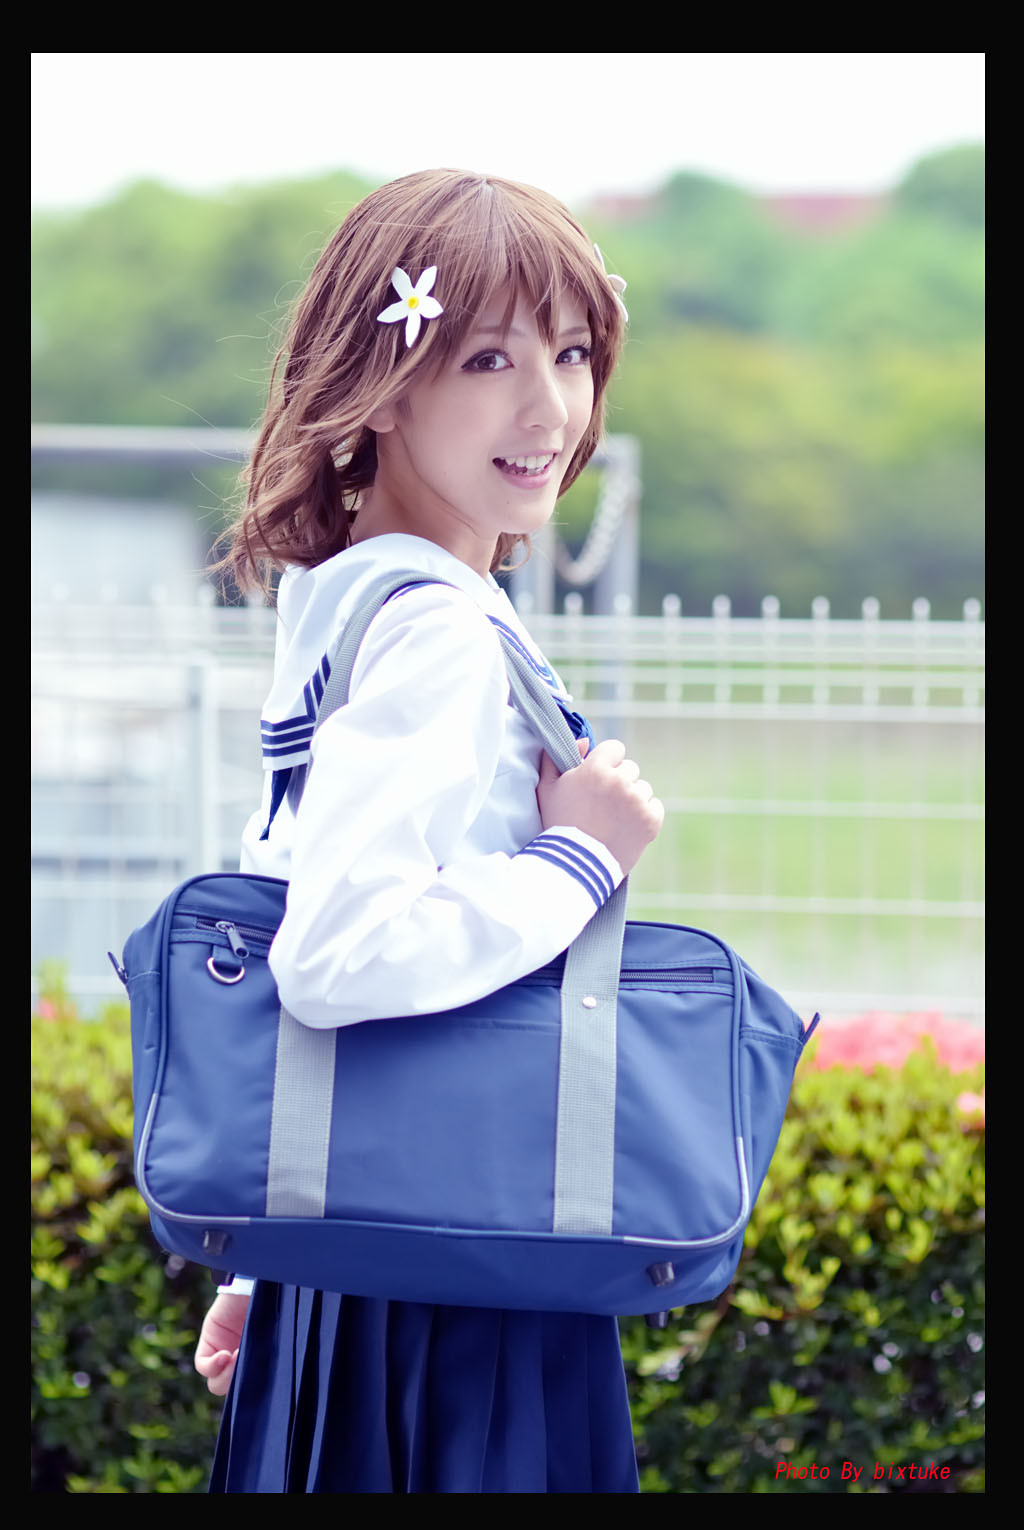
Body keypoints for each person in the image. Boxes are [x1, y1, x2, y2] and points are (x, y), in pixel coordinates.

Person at [195, 168, 664, 1493]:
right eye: (490, 358)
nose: (551, 408)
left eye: (572, 354)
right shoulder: (440, 630)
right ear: (385, 385)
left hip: (367, 1251)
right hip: (463, 1279)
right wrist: (580, 858)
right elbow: (335, 954)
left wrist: (277, 1246)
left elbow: (285, 893)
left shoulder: (344, 597)